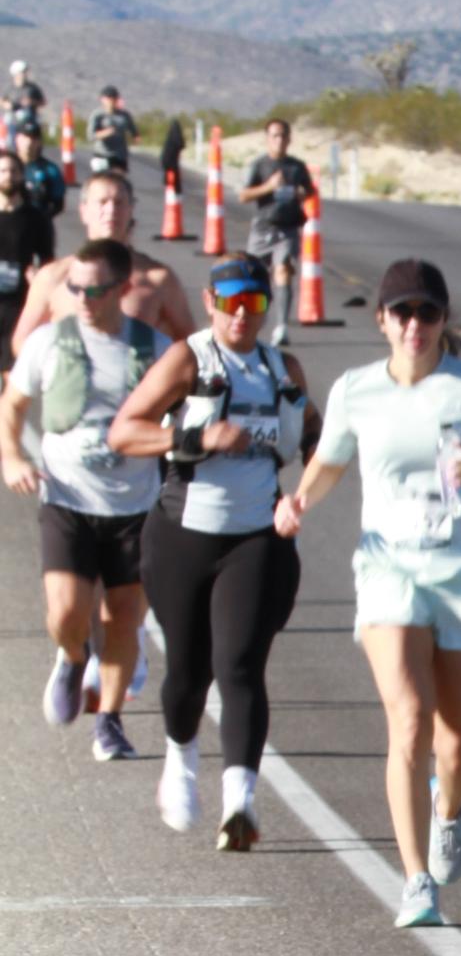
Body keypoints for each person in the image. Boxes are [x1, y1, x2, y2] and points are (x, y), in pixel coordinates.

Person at [275, 258, 461, 928]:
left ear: (443, 320)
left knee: (459, 747)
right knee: (410, 718)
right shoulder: (357, 390)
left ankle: (449, 807)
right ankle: (417, 881)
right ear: (382, 320)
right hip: (389, 568)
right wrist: (298, 501)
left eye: (427, 312)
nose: (414, 324)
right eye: (402, 312)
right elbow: (329, 461)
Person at [109, 254, 321, 849]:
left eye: (253, 303)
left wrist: (305, 491)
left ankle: (240, 803)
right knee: (189, 669)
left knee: (240, 664)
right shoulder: (189, 359)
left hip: (256, 538)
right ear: (209, 303)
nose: (240, 315)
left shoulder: (283, 368)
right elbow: (124, 431)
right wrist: (196, 437)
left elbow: (317, 438)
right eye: (229, 303)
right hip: (184, 534)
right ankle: (180, 761)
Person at [0, 237, 166, 759]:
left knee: (123, 618)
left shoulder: (156, 350)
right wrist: (12, 458)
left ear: (122, 288)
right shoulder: (49, 342)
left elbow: (186, 416)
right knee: (66, 612)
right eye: (74, 289)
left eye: (94, 291)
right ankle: (73, 657)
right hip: (67, 499)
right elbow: (13, 406)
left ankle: (110, 721)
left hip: (135, 507)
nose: (82, 300)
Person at [15, 167, 196, 346]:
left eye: (119, 203)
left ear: (130, 210)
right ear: (84, 211)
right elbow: (23, 342)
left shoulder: (158, 279)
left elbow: (189, 345)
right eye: (102, 202)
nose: (111, 210)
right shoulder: (52, 277)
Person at [239, 119, 316, 343]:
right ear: (267, 139)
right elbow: (243, 195)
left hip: (287, 229)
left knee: (283, 271)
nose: (279, 140)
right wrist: (269, 187)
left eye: (283, 136)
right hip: (263, 228)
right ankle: (252, 322)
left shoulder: (297, 167)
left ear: (289, 139)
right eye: (274, 136)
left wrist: (302, 193)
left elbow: (310, 191)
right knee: (254, 277)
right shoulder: (259, 165)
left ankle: (281, 326)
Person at [0, 148, 55, 371]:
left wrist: (38, 278)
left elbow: (48, 260)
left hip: (19, 304)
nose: (8, 176)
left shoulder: (35, 218)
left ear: (21, 175)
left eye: (14, 171)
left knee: (12, 368)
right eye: (3, 171)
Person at [14, 121, 66, 223]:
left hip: (38, 225)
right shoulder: (5, 166)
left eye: (33, 138)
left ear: (39, 142)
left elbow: (58, 204)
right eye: (25, 137)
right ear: (17, 139)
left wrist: (41, 219)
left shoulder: (50, 170)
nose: (29, 143)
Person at [88, 88, 139, 173]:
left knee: (118, 179)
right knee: (102, 179)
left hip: (120, 155)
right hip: (102, 155)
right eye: (108, 98)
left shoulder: (124, 115)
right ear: (102, 100)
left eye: (113, 98)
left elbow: (133, 130)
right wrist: (105, 133)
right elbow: (90, 136)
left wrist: (135, 137)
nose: (111, 101)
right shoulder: (98, 115)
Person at [6, 60, 46, 144]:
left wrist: (31, 102)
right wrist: (9, 105)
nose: (25, 74)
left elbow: (43, 102)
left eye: (25, 72)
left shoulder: (33, 88)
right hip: (14, 123)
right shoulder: (10, 89)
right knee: (13, 145)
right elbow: (3, 101)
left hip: (30, 122)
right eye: (22, 72)